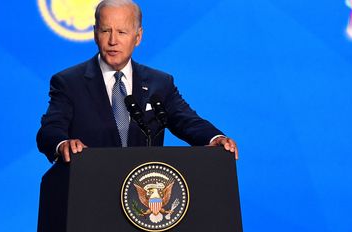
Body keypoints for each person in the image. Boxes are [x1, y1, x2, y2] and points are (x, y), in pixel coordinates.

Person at [36, 0, 238, 162]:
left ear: (138, 36)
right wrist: (62, 144)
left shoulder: (160, 82)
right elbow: (49, 130)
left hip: (144, 197)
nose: (113, 40)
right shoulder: (69, 82)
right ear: (95, 33)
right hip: (90, 189)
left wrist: (216, 138)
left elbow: (187, 121)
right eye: (106, 31)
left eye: (122, 32)